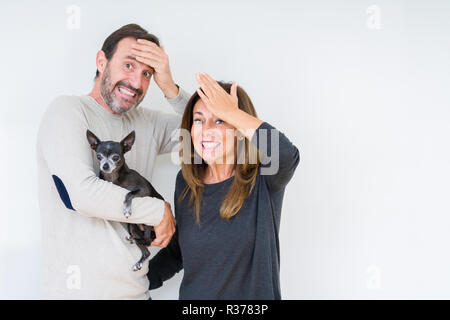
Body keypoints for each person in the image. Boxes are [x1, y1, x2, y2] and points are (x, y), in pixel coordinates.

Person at [36, 23, 190, 299]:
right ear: (101, 61)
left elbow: (206, 139)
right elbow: (80, 194)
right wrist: (158, 211)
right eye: (129, 65)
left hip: (138, 294)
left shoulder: (147, 123)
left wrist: (170, 88)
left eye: (147, 73)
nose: (137, 82)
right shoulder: (68, 111)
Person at [147, 73, 300, 299]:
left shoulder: (263, 177)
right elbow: (180, 250)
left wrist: (232, 112)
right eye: (198, 120)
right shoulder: (186, 181)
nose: (206, 129)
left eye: (219, 120)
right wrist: (134, 281)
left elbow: (287, 154)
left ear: (239, 129)